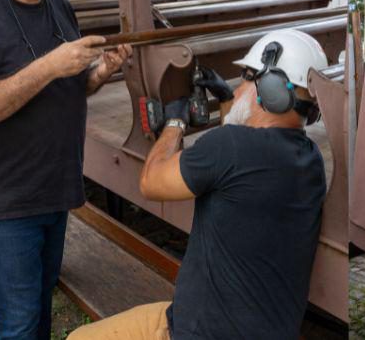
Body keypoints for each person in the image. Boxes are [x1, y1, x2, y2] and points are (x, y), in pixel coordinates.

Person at [68, 29, 329, 340]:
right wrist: (227, 100)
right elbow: (240, 162)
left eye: (246, 77)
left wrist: (174, 123)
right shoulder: (310, 160)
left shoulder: (230, 147)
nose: (240, 84)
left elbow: (151, 182)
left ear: (270, 88)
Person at [0, 0, 131, 339]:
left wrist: (98, 74)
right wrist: (51, 65)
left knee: (40, 309)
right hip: (7, 203)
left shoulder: (60, 9)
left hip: (58, 190)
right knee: (18, 323)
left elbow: (68, 90)